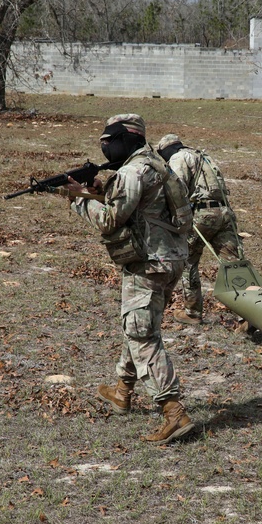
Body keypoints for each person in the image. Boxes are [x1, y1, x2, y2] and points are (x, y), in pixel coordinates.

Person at [62, 114, 195, 443]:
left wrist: (79, 198)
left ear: (126, 140)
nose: (106, 146)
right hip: (172, 258)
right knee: (139, 323)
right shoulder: (155, 164)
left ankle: (173, 412)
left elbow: (109, 221)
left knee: (141, 333)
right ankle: (122, 390)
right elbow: (139, 208)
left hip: (149, 262)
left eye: (110, 140)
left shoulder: (132, 172)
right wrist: (97, 190)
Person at [156, 134, 245, 325]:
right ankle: (249, 314)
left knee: (188, 261)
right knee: (234, 264)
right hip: (224, 212)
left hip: (202, 215)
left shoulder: (178, 158)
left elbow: (177, 190)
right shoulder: (204, 156)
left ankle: (192, 312)